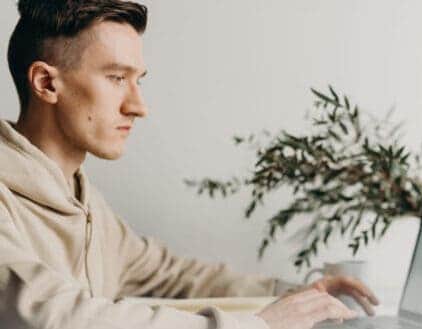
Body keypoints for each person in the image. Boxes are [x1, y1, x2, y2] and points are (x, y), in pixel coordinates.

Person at [0, 1, 379, 328]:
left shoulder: (87, 204)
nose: (138, 106)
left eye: (138, 81)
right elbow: (51, 315)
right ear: (46, 83)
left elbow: (172, 276)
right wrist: (257, 325)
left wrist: (297, 294)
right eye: (116, 78)